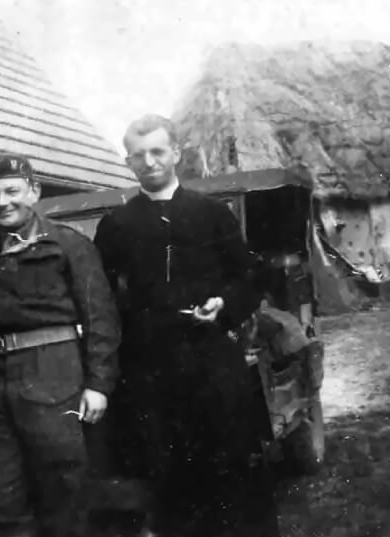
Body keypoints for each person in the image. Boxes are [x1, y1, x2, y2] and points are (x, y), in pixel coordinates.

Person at [93, 115, 281, 537]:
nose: (150, 162)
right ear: (128, 162)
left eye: (158, 151)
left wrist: (224, 306)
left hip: (212, 362)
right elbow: (102, 296)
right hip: (150, 372)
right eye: (139, 155)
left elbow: (251, 276)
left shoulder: (212, 214)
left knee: (233, 471)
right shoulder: (115, 226)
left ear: (176, 153)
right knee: (167, 479)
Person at [0, 152, 120, 537]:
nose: (3, 202)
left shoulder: (67, 244)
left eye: (12, 191)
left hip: (52, 375)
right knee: (0, 496)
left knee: (62, 489)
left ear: (34, 192)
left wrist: (99, 384)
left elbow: (99, 316)